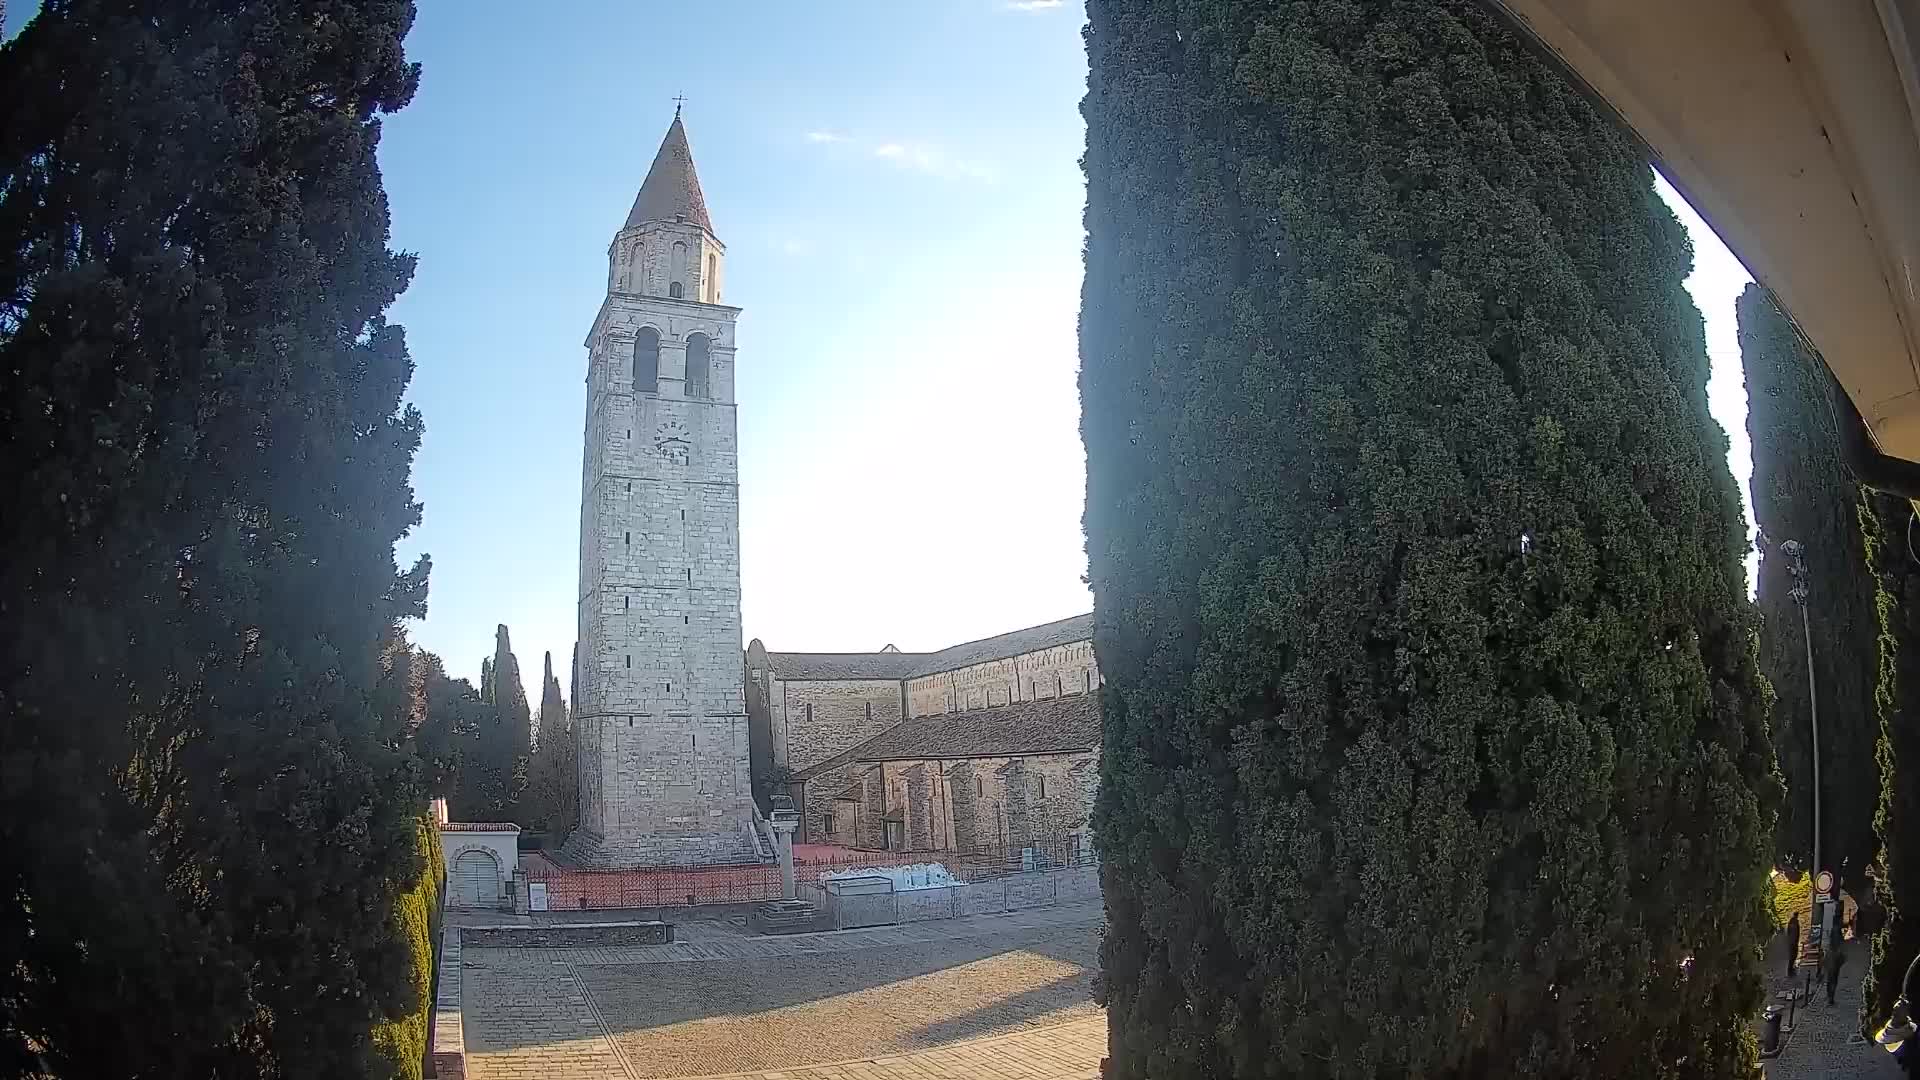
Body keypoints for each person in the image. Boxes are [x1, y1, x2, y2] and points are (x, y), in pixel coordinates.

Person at [1787, 910, 1802, 978]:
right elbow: (1796, 933)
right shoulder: (1795, 922)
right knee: (1793, 956)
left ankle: (1790, 970)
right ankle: (1790, 971)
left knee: (1792, 956)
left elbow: (1788, 932)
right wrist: (1795, 941)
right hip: (1794, 942)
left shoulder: (1791, 922)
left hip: (1791, 942)